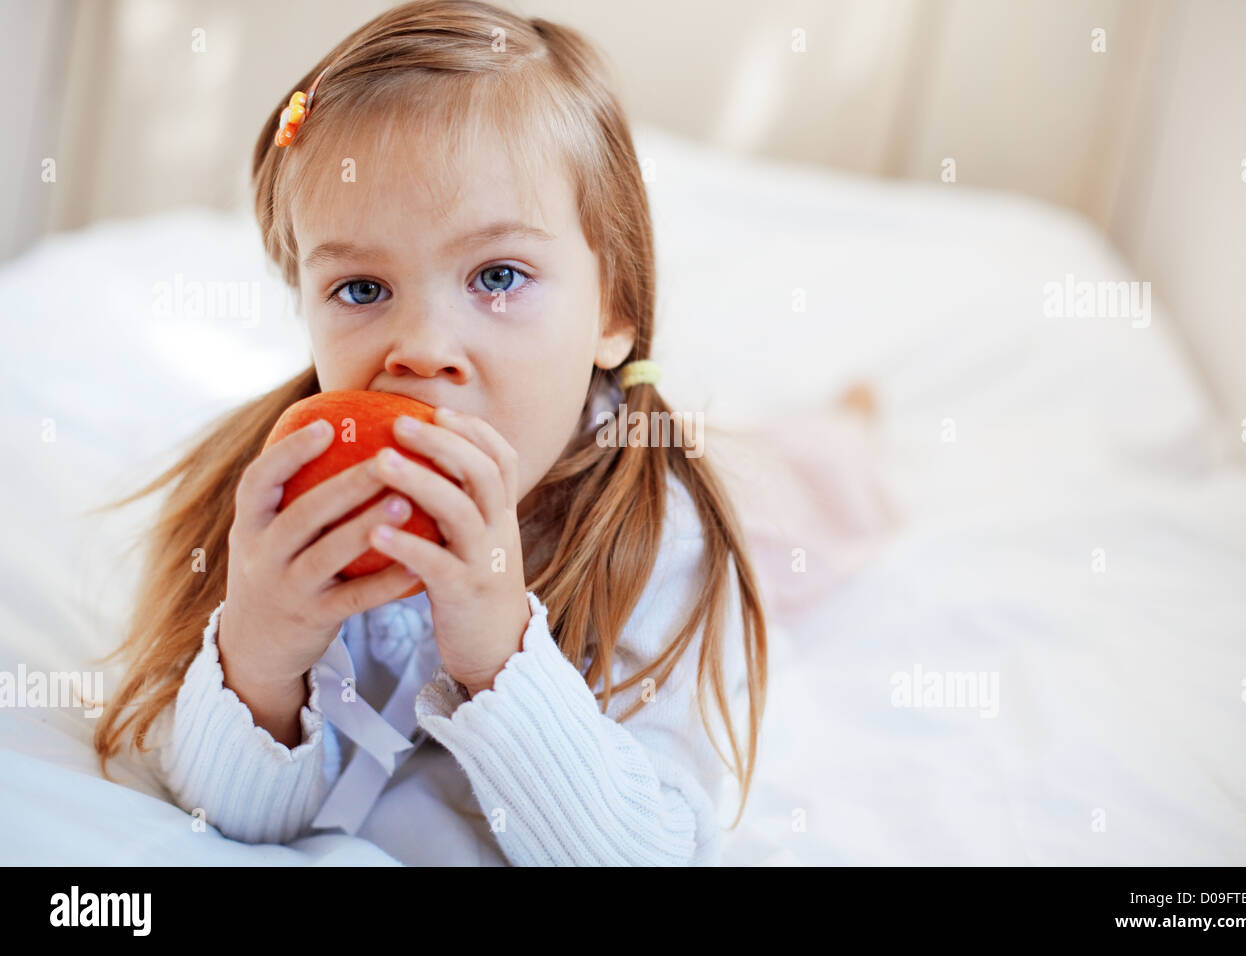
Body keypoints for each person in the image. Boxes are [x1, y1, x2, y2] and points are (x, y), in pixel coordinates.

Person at [91, 0, 768, 866]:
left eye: (497, 275)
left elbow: (649, 853)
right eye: (363, 290)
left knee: (808, 494)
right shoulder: (274, 497)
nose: (421, 350)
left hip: (709, 485)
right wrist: (258, 660)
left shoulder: (666, 537)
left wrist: (498, 653)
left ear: (616, 308)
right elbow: (233, 822)